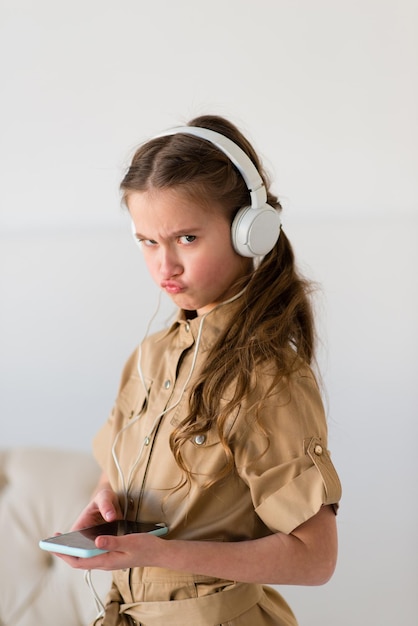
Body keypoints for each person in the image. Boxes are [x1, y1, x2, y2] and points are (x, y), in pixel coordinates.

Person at [58, 114, 342, 626]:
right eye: (147, 241)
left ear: (249, 232)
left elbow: (316, 558)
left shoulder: (267, 376)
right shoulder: (150, 356)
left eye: (186, 238)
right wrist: (106, 502)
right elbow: (117, 468)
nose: (164, 266)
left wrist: (158, 554)